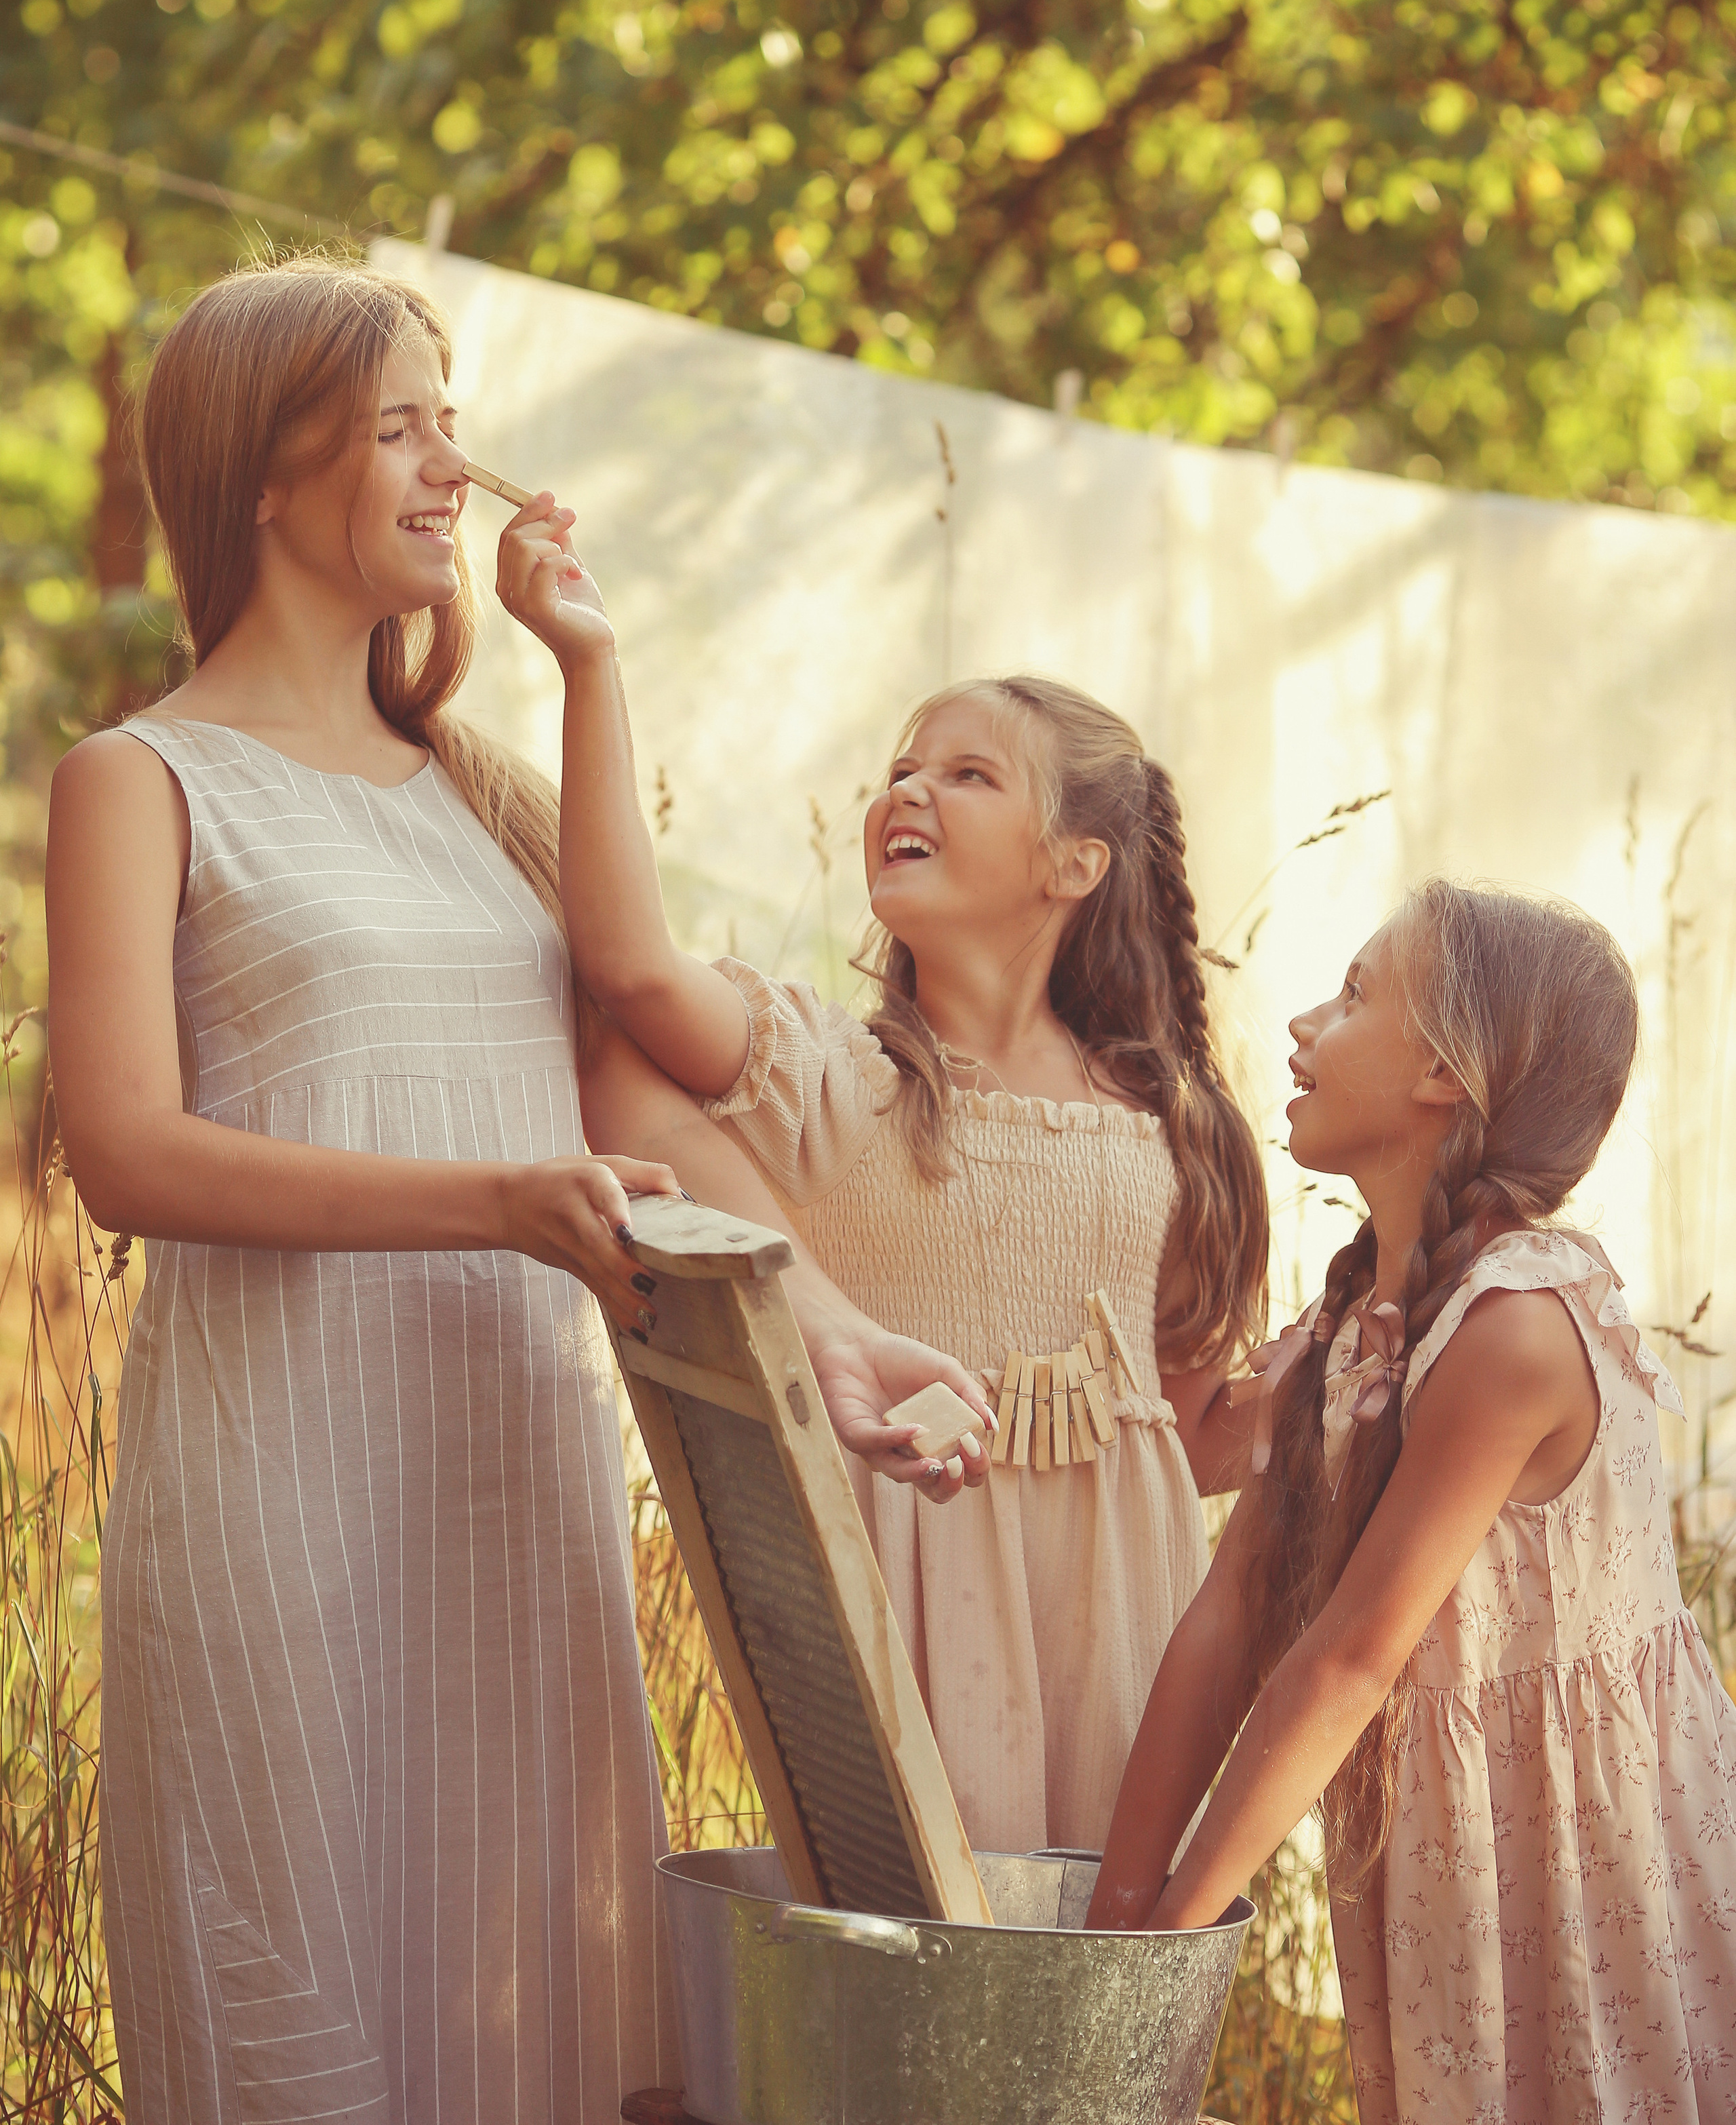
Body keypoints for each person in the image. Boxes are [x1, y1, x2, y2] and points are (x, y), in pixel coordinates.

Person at [47, 255, 990, 2125]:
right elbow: (127, 1156)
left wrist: (841, 1340)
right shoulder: (139, 781)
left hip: (509, 1505)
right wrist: (488, 1203)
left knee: (535, 2030)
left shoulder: (475, 792)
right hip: (283, 1507)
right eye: (399, 425)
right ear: (260, 470)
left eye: (449, 420)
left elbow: (642, 1143)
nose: (450, 469)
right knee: (307, 2017)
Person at [494, 502, 1270, 1854]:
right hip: (892, 1631)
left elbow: (1196, 1435)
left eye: (966, 775)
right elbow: (622, 974)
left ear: (1072, 863)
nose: (905, 790)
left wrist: (1310, 1403)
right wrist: (587, 665)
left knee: (1095, 1989)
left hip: (1127, 1656)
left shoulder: (1178, 1131)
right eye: (899, 768)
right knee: (911, 1975)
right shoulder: (825, 1074)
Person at [1090, 880, 1736, 2124]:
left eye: (1354, 995)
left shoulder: (1517, 1327)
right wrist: (1114, 1926)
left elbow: (1345, 1664)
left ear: (1448, 1073)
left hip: (1597, 1861)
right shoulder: (1350, 1334)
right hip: (1455, 1863)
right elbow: (1230, 1624)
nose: (1301, 1028)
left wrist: (1173, 1945)